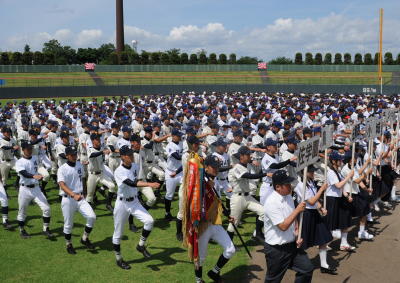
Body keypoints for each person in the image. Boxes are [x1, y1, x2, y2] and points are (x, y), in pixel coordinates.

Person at [182, 154, 236, 283]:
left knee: (230, 250)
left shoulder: (213, 180)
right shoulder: (200, 181)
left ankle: (214, 272)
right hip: (202, 225)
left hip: (214, 222)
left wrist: (227, 214)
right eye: (214, 167)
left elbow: (217, 201)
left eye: (218, 167)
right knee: (200, 258)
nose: (216, 170)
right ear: (206, 167)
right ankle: (198, 280)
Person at [112, 145, 160, 270]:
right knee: (118, 234)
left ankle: (140, 245)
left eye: (132, 154)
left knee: (149, 221)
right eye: (129, 155)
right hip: (122, 204)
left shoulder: (134, 166)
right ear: (123, 157)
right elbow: (132, 183)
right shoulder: (119, 171)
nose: (132, 156)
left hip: (134, 202)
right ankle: (119, 259)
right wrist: (150, 184)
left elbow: (136, 179)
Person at [264, 170, 313, 283]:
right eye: (286, 184)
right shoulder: (271, 202)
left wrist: (296, 233)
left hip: (291, 246)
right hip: (277, 250)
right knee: (273, 280)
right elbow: (283, 226)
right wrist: (297, 210)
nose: (290, 186)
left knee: (307, 269)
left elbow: (293, 218)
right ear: (278, 187)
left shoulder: (288, 196)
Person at [294, 165, 336, 275]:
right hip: (305, 215)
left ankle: (324, 265)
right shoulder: (300, 185)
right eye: (311, 171)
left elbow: (315, 200)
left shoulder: (311, 182)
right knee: (301, 242)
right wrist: (321, 190)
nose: (313, 173)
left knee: (323, 238)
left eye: (313, 171)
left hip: (314, 213)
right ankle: (296, 263)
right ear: (304, 172)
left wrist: (321, 208)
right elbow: (311, 201)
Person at [58, 146, 97, 254]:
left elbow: (82, 179)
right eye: (72, 155)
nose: (75, 156)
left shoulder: (79, 165)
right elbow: (62, 184)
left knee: (92, 217)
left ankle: (84, 238)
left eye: (75, 154)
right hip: (68, 199)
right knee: (68, 224)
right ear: (67, 156)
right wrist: (72, 194)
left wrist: (83, 192)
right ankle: (68, 244)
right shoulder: (62, 169)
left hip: (80, 198)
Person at [15, 140, 53, 239]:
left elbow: (38, 167)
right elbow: (23, 173)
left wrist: (42, 172)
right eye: (28, 149)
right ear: (23, 150)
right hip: (24, 189)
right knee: (22, 212)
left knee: (47, 208)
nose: (30, 150)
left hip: (36, 189)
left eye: (30, 148)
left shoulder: (35, 158)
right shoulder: (19, 162)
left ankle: (46, 229)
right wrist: (34, 176)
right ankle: (22, 230)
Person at [228, 146, 266, 242]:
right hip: (238, 198)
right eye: (248, 154)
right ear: (241, 156)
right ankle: (229, 246)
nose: (250, 156)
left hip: (248, 197)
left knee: (264, 212)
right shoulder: (237, 167)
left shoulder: (247, 166)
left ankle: (257, 233)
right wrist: (265, 174)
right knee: (233, 224)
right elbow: (248, 176)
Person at [164, 128, 184, 221]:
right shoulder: (169, 145)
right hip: (170, 172)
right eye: (178, 135)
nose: (179, 137)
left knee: (185, 191)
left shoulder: (182, 143)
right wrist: (186, 157)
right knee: (169, 195)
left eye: (180, 135)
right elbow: (177, 157)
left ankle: (184, 211)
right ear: (173, 136)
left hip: (180, 171)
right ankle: (167, 213)